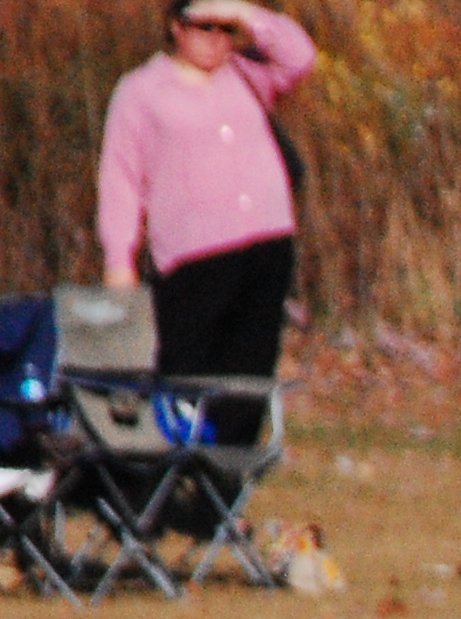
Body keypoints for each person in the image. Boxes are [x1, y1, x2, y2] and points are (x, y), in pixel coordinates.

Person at [96, 0, 313, 441]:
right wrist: (119, 259)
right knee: (184, 370)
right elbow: (121, 178)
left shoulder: (247, 73)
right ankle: (170, 463)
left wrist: (244, 14)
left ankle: (226, 471)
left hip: (267, 244)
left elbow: (300, 56)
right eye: (204, 27)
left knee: (249, 369)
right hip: (193, 256)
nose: (216, 39)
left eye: (225, 29)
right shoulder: (142, 91)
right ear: (176, 27)